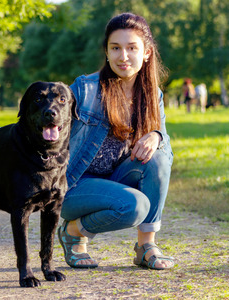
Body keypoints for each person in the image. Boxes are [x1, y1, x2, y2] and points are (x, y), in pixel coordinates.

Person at [57, 12, 175, 270]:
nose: (123, 56)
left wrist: (156, 136)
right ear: (107, 53)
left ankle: (146, 246)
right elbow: (45, 116)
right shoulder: (86, 89)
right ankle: (74, 231)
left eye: (132, 48)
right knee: (134, 206)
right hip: (76, 186)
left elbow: (167, 154)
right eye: (116, 48)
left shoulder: (152, 96)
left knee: (158, 158)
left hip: (115, 181)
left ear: (146, 53)